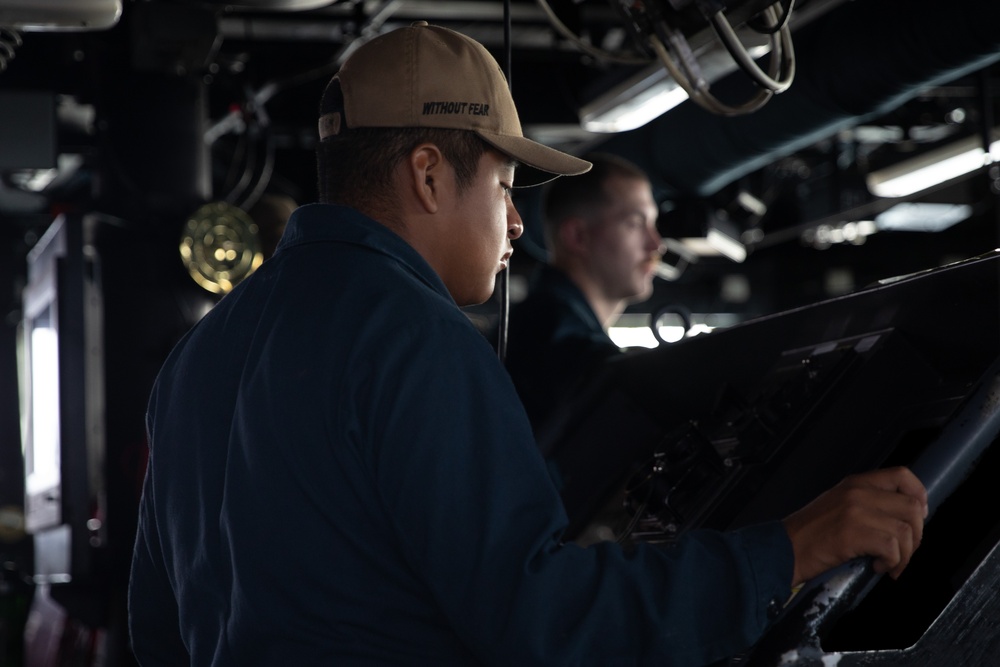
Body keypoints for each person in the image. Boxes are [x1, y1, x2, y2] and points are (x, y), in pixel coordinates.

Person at [128, 21, 928, 666]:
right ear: (430, 174)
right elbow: (541, 618)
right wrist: (790, 548)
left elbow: (156, 634)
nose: (516, 223)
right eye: (504, 187)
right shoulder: (413, 336)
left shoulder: (197, 358)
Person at [505, 153, 662, 434]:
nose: (655, 244)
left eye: (653, 224)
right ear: (578, 236)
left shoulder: (542, 321)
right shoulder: (553, 335)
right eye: (636, 223)